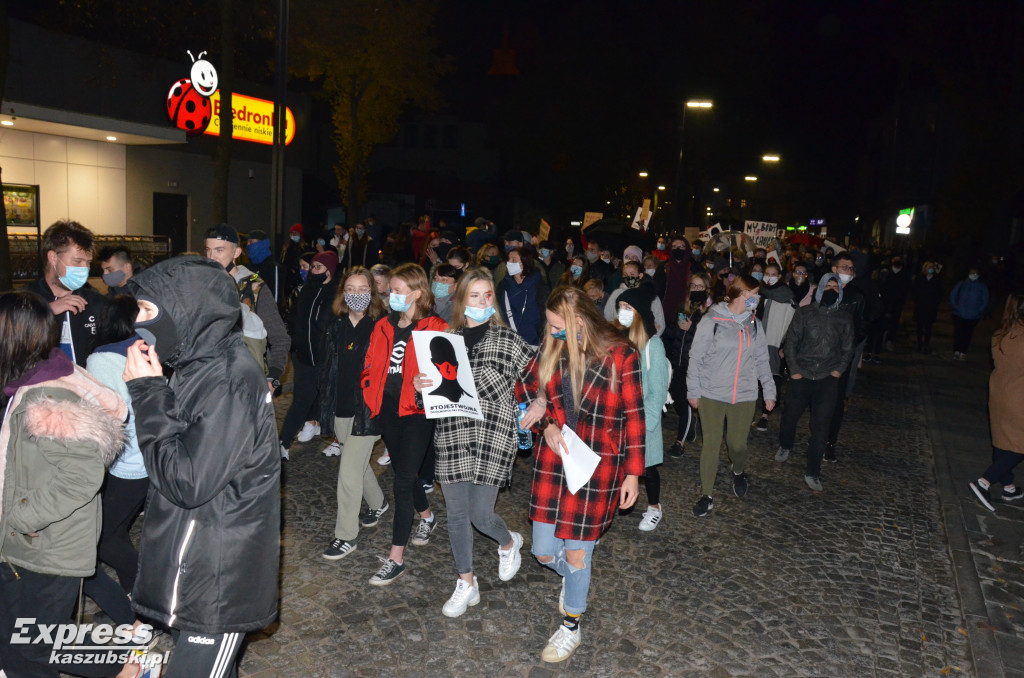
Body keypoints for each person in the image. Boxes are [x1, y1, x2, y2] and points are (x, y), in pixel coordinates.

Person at [123, 256, 280, 677]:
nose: (138, 321)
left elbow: (186, 481)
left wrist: (146, 393)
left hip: (216, 586)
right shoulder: (193, 366)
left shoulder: (230, 380)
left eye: (148, 310)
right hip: (192, 569)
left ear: (188, 309)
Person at [0, 291, 151, 678]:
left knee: (29, 650)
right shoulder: (30, 384)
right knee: (22, 645)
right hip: (29, 547)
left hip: (43, 548)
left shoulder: (47, 398)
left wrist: (19, 515)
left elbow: (81, 475)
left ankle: (128, 668)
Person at [516, 285, 644, 662]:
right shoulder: (553, 347)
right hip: (555, 463)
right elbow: (525, 384)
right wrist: (546, 418)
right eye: (551, 327)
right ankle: (576, 578)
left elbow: (635, 417)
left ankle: (571, 625)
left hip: (599, 468)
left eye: (560, 327)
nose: (553, 333)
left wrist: (633, 474)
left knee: (575, 553)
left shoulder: (622, 356)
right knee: (541, 551)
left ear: (581, 321)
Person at [420, 269, 535, 617]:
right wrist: (420, 383)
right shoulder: (444, 341)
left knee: (480, 515)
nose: (483, 302)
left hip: (493, 437)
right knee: (456, 515)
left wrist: (539, 403)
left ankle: (508, 541)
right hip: (453, 434)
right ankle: (466, 582)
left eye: (488, 296)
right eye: (475, 295)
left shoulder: (509, 340)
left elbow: (537, 379)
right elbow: (435, 391)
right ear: (461, 299)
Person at [362, 263, 448, 585]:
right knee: (404, 473)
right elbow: (370, 363)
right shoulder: (383, 325)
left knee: (401, 482)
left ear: (417, 293)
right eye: (391, 290)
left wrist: (429, 381)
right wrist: (370, 387)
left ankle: (395, 557)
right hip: (387, 412)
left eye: (397, 290)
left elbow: (448, 372)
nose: (390, 295)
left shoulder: (435, 326)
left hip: (416, 413)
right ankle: (427, 516)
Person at [84, 295, 152, 648]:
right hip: (153, 455)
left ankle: (143, 601)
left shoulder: (100, 358)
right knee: (116, 530)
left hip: (127, 462)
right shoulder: (148, 348)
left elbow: (110, 414)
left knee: (102, 538)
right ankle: (135, 599)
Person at [686, 274, 776, 517]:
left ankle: (738, 470)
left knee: (737, 444)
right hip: (712, 393)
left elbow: (761, 359)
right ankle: (707, 494)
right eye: (754, 294)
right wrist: (693, 390)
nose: (758, 298)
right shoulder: (712, 320)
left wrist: (768, 389)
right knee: (711, 445)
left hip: (744, 394)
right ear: (742, 294)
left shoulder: (754, 324)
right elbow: (696, 357)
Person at [316, 267, 390, 559]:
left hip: (369, 411)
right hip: (342, 408)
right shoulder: (335, 326)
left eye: (363, 289)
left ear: (371, 292)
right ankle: (379, 502)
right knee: (356, 462)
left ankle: (345, 535)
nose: (356, 294)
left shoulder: (382, 326)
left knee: (347, 473)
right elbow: (329, 370)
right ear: (343, 292)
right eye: (351, 288)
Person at [775, 274, 854, 492]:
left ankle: (813, 471)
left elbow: (848, 349)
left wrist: (837, 371)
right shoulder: (805, 313)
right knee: (790, 417)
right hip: (802, 375)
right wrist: (796, 371)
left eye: (834, 287)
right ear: (818, 289)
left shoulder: (844, 318)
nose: (830, 290)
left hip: (827, 379)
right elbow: (791, 342)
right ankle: (786, 444)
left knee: (820, 428)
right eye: (826, 286)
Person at [206, 224, 291, 394]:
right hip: (210, 384)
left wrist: (273, 380)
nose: (211, 256)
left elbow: (280, 338)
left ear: (236, 252)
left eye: (219, 250)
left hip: (245, 386)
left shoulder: (254, 287)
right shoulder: (204, 284)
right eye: (208, 250)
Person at [616, 286, 669, 531]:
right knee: (618, 465)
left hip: (643, 420)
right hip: (619, 417)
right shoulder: (618, 340)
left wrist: (644, 425)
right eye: (620, 308)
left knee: (646, 468)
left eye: (628, 308)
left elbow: (657, 391)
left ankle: (654, 507)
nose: (622, 313)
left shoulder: (653, 346)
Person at [280, 252, 339, 459]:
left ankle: (338, 439)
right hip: (304, 358)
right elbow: (297, 320)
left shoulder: (337, 294)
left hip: (326, 359)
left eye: (317, 268)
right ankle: (283, 442)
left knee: (332, 400)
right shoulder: (306, 290)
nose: (312, 271)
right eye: (312, 267)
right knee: (301, 400)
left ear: (330, 271)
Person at [969, 292, 1024, 511]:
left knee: (1003, 440)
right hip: (1019, 396)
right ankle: (984, 482)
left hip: (1000, 393)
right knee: (1019, 444)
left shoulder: (1001, 334)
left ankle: (1008, 486)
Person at [28, 220, 107, 367]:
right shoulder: (24, 300)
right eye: (78, 261)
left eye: (88, 262)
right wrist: (46, 311)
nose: (85, 269)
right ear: (53, 258)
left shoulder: (96, 302)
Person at [666, 273, 712, 457]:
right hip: (677, 359)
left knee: (685, 401)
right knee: (677, 399)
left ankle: (680, 442)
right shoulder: (683, 307)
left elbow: (708, 338)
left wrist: (691, 327)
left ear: (707, 289)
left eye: (700, 287)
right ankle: (690, 422)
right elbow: (674, 332)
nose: (696, 290)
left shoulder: (709, 313)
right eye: (693, 286)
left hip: (694, 364)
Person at [751, 262, 796, 432]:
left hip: (774, 341)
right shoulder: (759, 292)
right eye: (766, 273)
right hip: (756, 339)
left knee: (772, 377)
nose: (769, 277)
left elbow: (792, 323)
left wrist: (785, 344)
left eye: (773, 274)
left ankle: (765, 415)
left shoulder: (787, 296)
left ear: (779, 276)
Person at [496, 246, 548, 345]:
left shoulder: (539, 286)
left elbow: (544, 316)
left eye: (514, 260)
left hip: (532, 342)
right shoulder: (503, 286)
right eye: (508, 260)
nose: (509, 263)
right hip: (507, 342)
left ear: (524, 262)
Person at [604, 260, 666, 336]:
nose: (629, 277)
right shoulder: (616, 294)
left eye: (632, 274)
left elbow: (660, 324)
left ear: (640, 276)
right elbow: (607, 318)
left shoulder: (651, 296)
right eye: (625, 274)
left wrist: (647, 340)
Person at [949, 266, 991, 361]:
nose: (973, 275)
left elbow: (985, 300)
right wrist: (955, 306)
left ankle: (963, 352)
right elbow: (953, 294)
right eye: (971, 273)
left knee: (967, 334)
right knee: (958, 333)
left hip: (973, 316)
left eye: (975, 273)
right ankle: (956, 351)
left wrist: (979, 310)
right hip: (959, 313)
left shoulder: (982, 286)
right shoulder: (962, 284)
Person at [244, 229, 286, 305]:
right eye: (247, 242)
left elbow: (276, 298)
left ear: (262, 244)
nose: (248, 245)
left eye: (251, 242)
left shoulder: (273, 267)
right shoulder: (249, 267)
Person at [912, 261, 943, 353]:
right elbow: (914, 291)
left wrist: (935, 303)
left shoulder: (937, 280)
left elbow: (940, 293)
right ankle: (919, 344)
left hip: (931, 307)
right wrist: (917, 301)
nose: (931, 269)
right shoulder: (919, 279)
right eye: (929, 267)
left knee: (928, 327)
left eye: (932, 267)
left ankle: (926, 345)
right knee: (919, 327)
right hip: (920, 306)